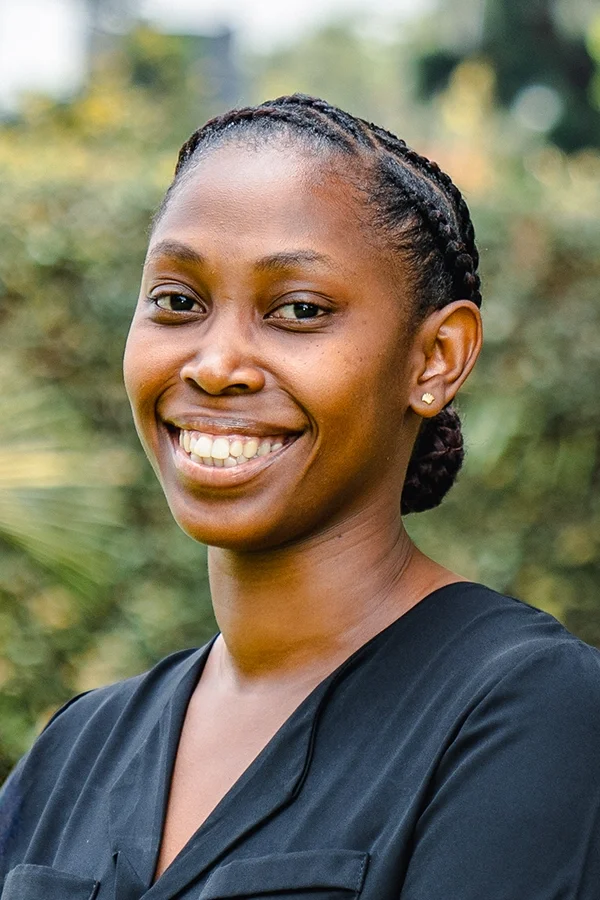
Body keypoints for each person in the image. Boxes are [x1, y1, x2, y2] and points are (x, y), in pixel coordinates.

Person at [1, 93, 600, 900]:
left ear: (435, 358)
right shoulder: (79, 750)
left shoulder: (527, 712)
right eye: (178, 302)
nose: (216, 365)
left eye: (298, 311)